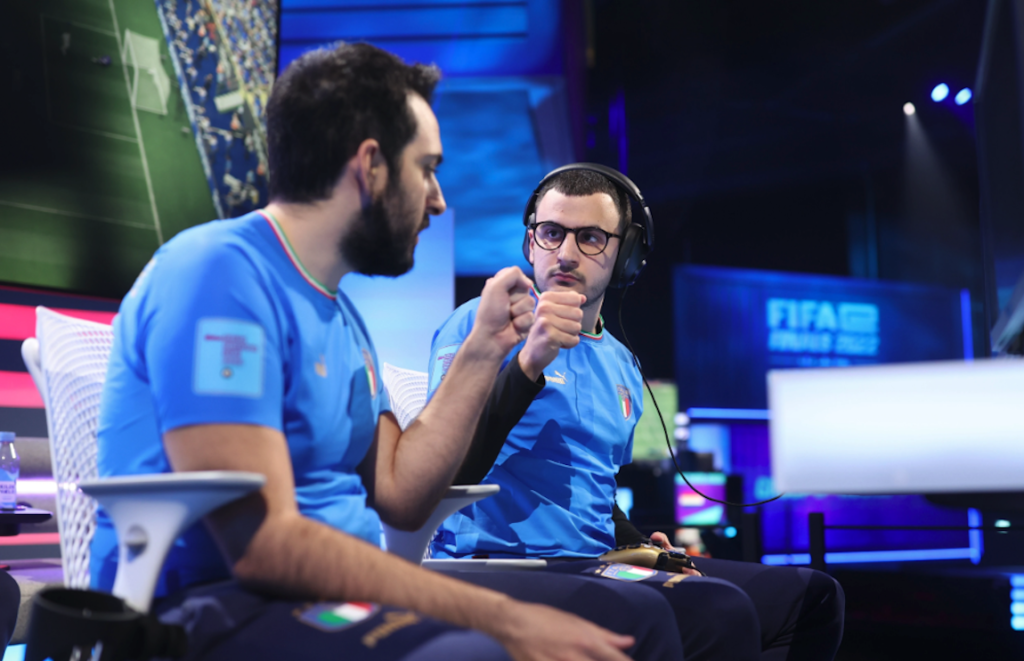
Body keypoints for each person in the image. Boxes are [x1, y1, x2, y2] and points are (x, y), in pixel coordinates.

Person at [91, 43, 683, 661]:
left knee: (647, 623)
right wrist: (503, 617)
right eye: (425, 169)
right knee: (488, 650)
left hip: (319, 597)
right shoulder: (220, 275)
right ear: (371, 167)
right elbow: (263, 546)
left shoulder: (340, 315)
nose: (438, 199)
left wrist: (485, 351)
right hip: (215, 607)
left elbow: (403, 494)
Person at [427, 165, 846, 661]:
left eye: (590, 238)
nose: (565, 253)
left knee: (812, 596)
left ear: (626, 255)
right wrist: (527, 365)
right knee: (720, 610)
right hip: (502, 563)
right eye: (552, 233)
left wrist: (645, 546)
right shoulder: (484, 323)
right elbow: (444, 474)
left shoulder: (622, 363)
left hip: (596, 560)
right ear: (530, 242)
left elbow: (595, 494)